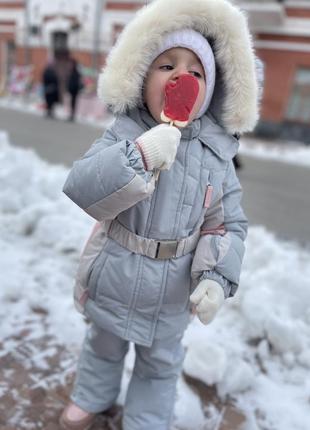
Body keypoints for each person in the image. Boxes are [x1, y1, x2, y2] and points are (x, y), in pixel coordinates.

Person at [60, 0, 259, 429]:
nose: (181, 77)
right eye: (167, 64)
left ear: (211, 90)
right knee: (102, 346)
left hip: (172, 289)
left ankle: (145, 420)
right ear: (141, 74)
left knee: (161, 364)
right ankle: (92, 396)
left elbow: (226, 224)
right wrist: (140, 155)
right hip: (115, 270)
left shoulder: (217, 155)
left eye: (196, 71)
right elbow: (83, 188)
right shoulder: (124, 133)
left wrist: (216, 277)